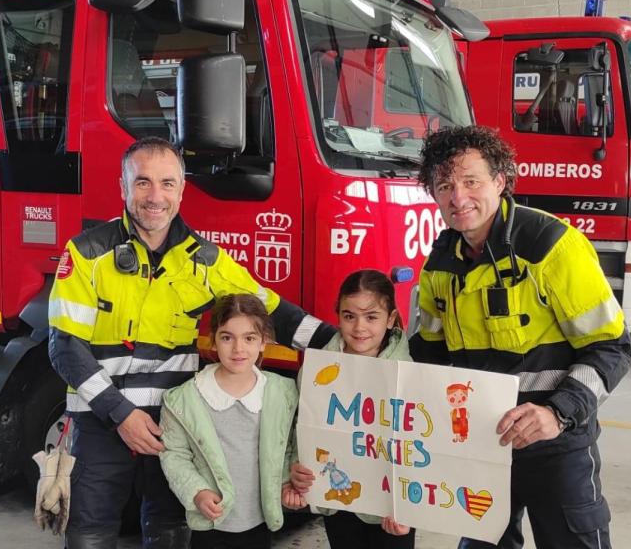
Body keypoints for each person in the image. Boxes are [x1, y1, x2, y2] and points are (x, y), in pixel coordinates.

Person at [47, 137, 332, 549]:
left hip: (174, 424)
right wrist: (120, 413)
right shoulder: (87, 254)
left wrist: (345, 342)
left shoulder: (203, 259)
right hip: (101, 422)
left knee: (171, 532)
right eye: (142, 183)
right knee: (90, 533)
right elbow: (64, 347)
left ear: (181, 190)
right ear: (122, 187)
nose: (155, 196)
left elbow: (270, 309)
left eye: (167, 183)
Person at [408, 125, 631, 549]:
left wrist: (557, 414)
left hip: (557, 445)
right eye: (444, 186)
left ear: (499, 180)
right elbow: (431, 357)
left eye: (471, 181)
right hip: (481, 444)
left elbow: (612, 347)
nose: (458, 198)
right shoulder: (439, 264)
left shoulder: (553, 246)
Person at [159, 294, 301, 549]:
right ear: (213, 341)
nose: (238, 349)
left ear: (264, 342)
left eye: (249, 338)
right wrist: (197, 492)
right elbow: (175, 454)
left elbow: (287, 447)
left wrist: (287, 483)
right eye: (227, 337)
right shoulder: (184, 400)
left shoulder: (282, 393)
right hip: (211, 525)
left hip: (260, 522)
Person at [287, 269, 416, 548]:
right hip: (338, 501)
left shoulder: (412, 375)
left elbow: (422, 448)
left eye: (371, 317)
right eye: (349, 316)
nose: (359, 328)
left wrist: (413, 506)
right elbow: (303, 425)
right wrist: (296, 464)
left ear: (391, 318)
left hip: (392, 508)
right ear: (338, 315)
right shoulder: (316, 370)